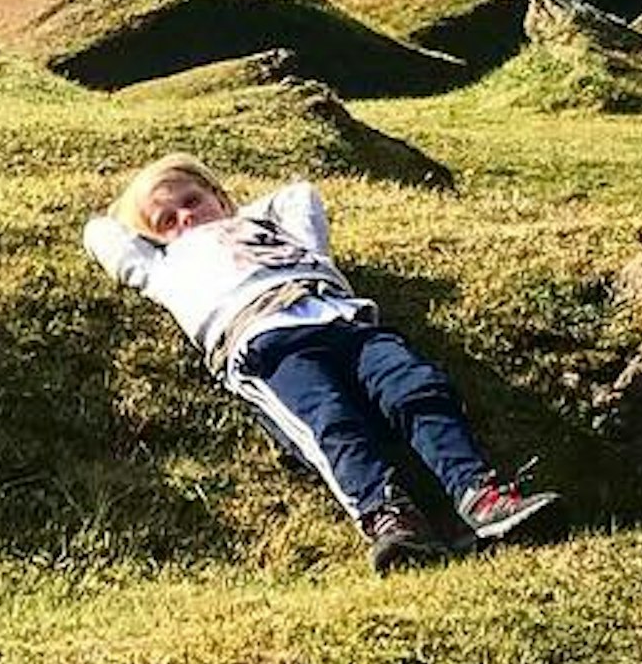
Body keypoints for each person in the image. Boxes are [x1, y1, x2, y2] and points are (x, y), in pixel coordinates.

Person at [83, 153, 557, 568]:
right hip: (262, 340)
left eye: (192, 201)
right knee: (329, 423)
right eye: (166, 219)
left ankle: (481, 495)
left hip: (342, 317)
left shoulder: (266, 228)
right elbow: (101, 233)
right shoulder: (163, 266)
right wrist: (149, 226)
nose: (185, 218)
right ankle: (389, 518)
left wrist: (233, 218)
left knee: (417, 388)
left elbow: (299, 194)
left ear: (220, 197)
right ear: (154, 239)